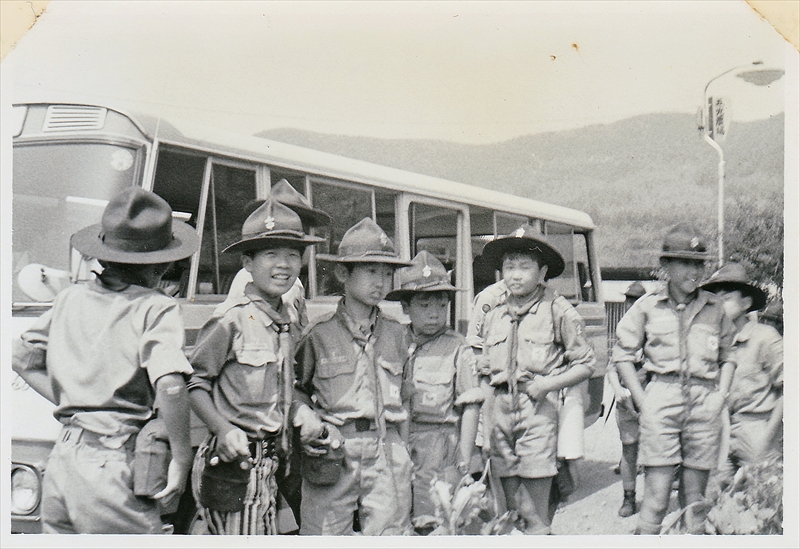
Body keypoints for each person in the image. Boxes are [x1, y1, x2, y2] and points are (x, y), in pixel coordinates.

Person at [12, 187, 200, 534]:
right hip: (112, 463)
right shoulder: (155, 307)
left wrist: (82, 403)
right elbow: (171, 384)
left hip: (63, 460)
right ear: (162, 263)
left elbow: (22, 359)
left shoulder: (69, 299)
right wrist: (181, 455)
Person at [187, 197, 323, 535]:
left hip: (270, 460)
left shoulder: (286, 319)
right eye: (271, 254)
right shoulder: (230, 319)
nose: (284, 265)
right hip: (235, 461)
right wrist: (221, 428)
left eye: (293, 255)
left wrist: (301, 412)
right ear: (248, 262)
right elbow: (196, 384)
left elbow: (282, 387)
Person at [291, 218, 414, 535]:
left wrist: (403, 451)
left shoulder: (398, 335)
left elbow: (408, 396)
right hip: (335, 449)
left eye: (387, 273)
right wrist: (305, 415)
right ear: (343, 273)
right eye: (371, 271)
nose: (381, 282)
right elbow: (294, 389)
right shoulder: (319, 335)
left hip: (387, 448)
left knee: (392, 534)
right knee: (325, 533)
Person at [614, 223, 737, 535]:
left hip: (704, 403)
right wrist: (643, 402)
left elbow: (729, 355)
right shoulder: (647, 307)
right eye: (684, 263)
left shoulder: (715, 307)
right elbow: (622, 355)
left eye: (699, 264)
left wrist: (720, 395)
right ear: (665, 265)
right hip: (662, 399)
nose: (693, 272)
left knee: (695, 500)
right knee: (655, 498)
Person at [479, 224, 596, 535]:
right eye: (509, 266)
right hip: (500, 415)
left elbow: (585, 364)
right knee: (505, 510)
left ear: (543, 271)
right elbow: (483, 368)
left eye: (525, 267)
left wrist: (546, 384)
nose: (515, 275)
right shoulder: (494, 312)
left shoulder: (558, 310)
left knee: (534, 513)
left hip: (538, 414)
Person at [385, 250, 484, 534]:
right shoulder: (393, 339)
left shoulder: (457, 347)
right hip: (398, 443)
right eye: (424, 304)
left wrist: (463, 459)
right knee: (397, 519)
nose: (434, 313)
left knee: (435, 521)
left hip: (439, 447)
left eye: (441, 305)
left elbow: (471, 405)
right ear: (406, 307)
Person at [700, 263, 783, 485]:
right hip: (721, 432)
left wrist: (766, 440)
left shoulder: (765, 337)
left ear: (746, 303)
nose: (718, 304)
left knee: (760, 502)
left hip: (757, 429)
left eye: (726, 298)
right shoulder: (714, 342)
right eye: (714, 298)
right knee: (711, 500)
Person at [606, 281, 647, 517]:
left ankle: (653, 496)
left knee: (656, 451)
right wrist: (618, 390)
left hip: (650, 400)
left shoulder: (653, 330)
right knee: (629, 450)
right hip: (626, 399)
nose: (631, 304)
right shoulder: (624, 330)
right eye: (629, 300)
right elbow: (612, 367)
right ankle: (629, 498)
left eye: (636, 301)